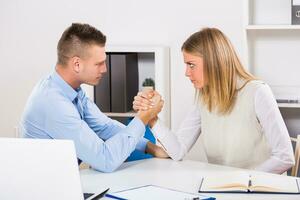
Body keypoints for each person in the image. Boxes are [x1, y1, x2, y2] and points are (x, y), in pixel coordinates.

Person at [133, 27, 295, 174]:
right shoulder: (204, 98)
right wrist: (152, 119)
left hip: (258, 189)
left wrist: (246, 181)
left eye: (191, 65)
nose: (186, 73)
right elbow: (178, 151)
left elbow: (285, 157)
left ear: (214, 62)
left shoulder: (257, 92)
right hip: (223, 188)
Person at [20, 23, 164, 173]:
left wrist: (150, 147)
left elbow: (105, 126)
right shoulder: (53, 102)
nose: (105, 69)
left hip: (62, 181)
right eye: (99, 64)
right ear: (76, 64)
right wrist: (143, 117)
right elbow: (106, 160)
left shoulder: (70, 89)